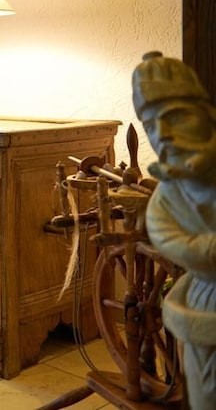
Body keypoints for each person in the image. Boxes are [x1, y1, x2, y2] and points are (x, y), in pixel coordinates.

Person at [133, 51, 216, 410]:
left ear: (207, 116)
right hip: (206, 306)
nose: (163, 135)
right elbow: (190, 251)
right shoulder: (165, 205)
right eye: (151, 126)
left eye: (176, 117)